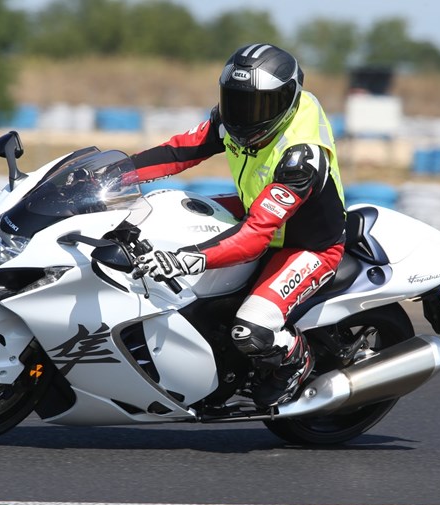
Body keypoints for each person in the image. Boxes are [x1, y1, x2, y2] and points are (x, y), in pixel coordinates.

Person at [132, 43, 346, 407]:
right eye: (236, 101)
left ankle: (294, 357)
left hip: (304, 243)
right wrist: (115, 173)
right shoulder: (231, 120)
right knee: (161, 210)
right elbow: (178, 151)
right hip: (257, 210)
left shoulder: (301, 158)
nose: (244, 116)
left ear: (287, 101)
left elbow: (253, 238)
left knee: (250, 329)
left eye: (258, 106)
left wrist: (190, 257)